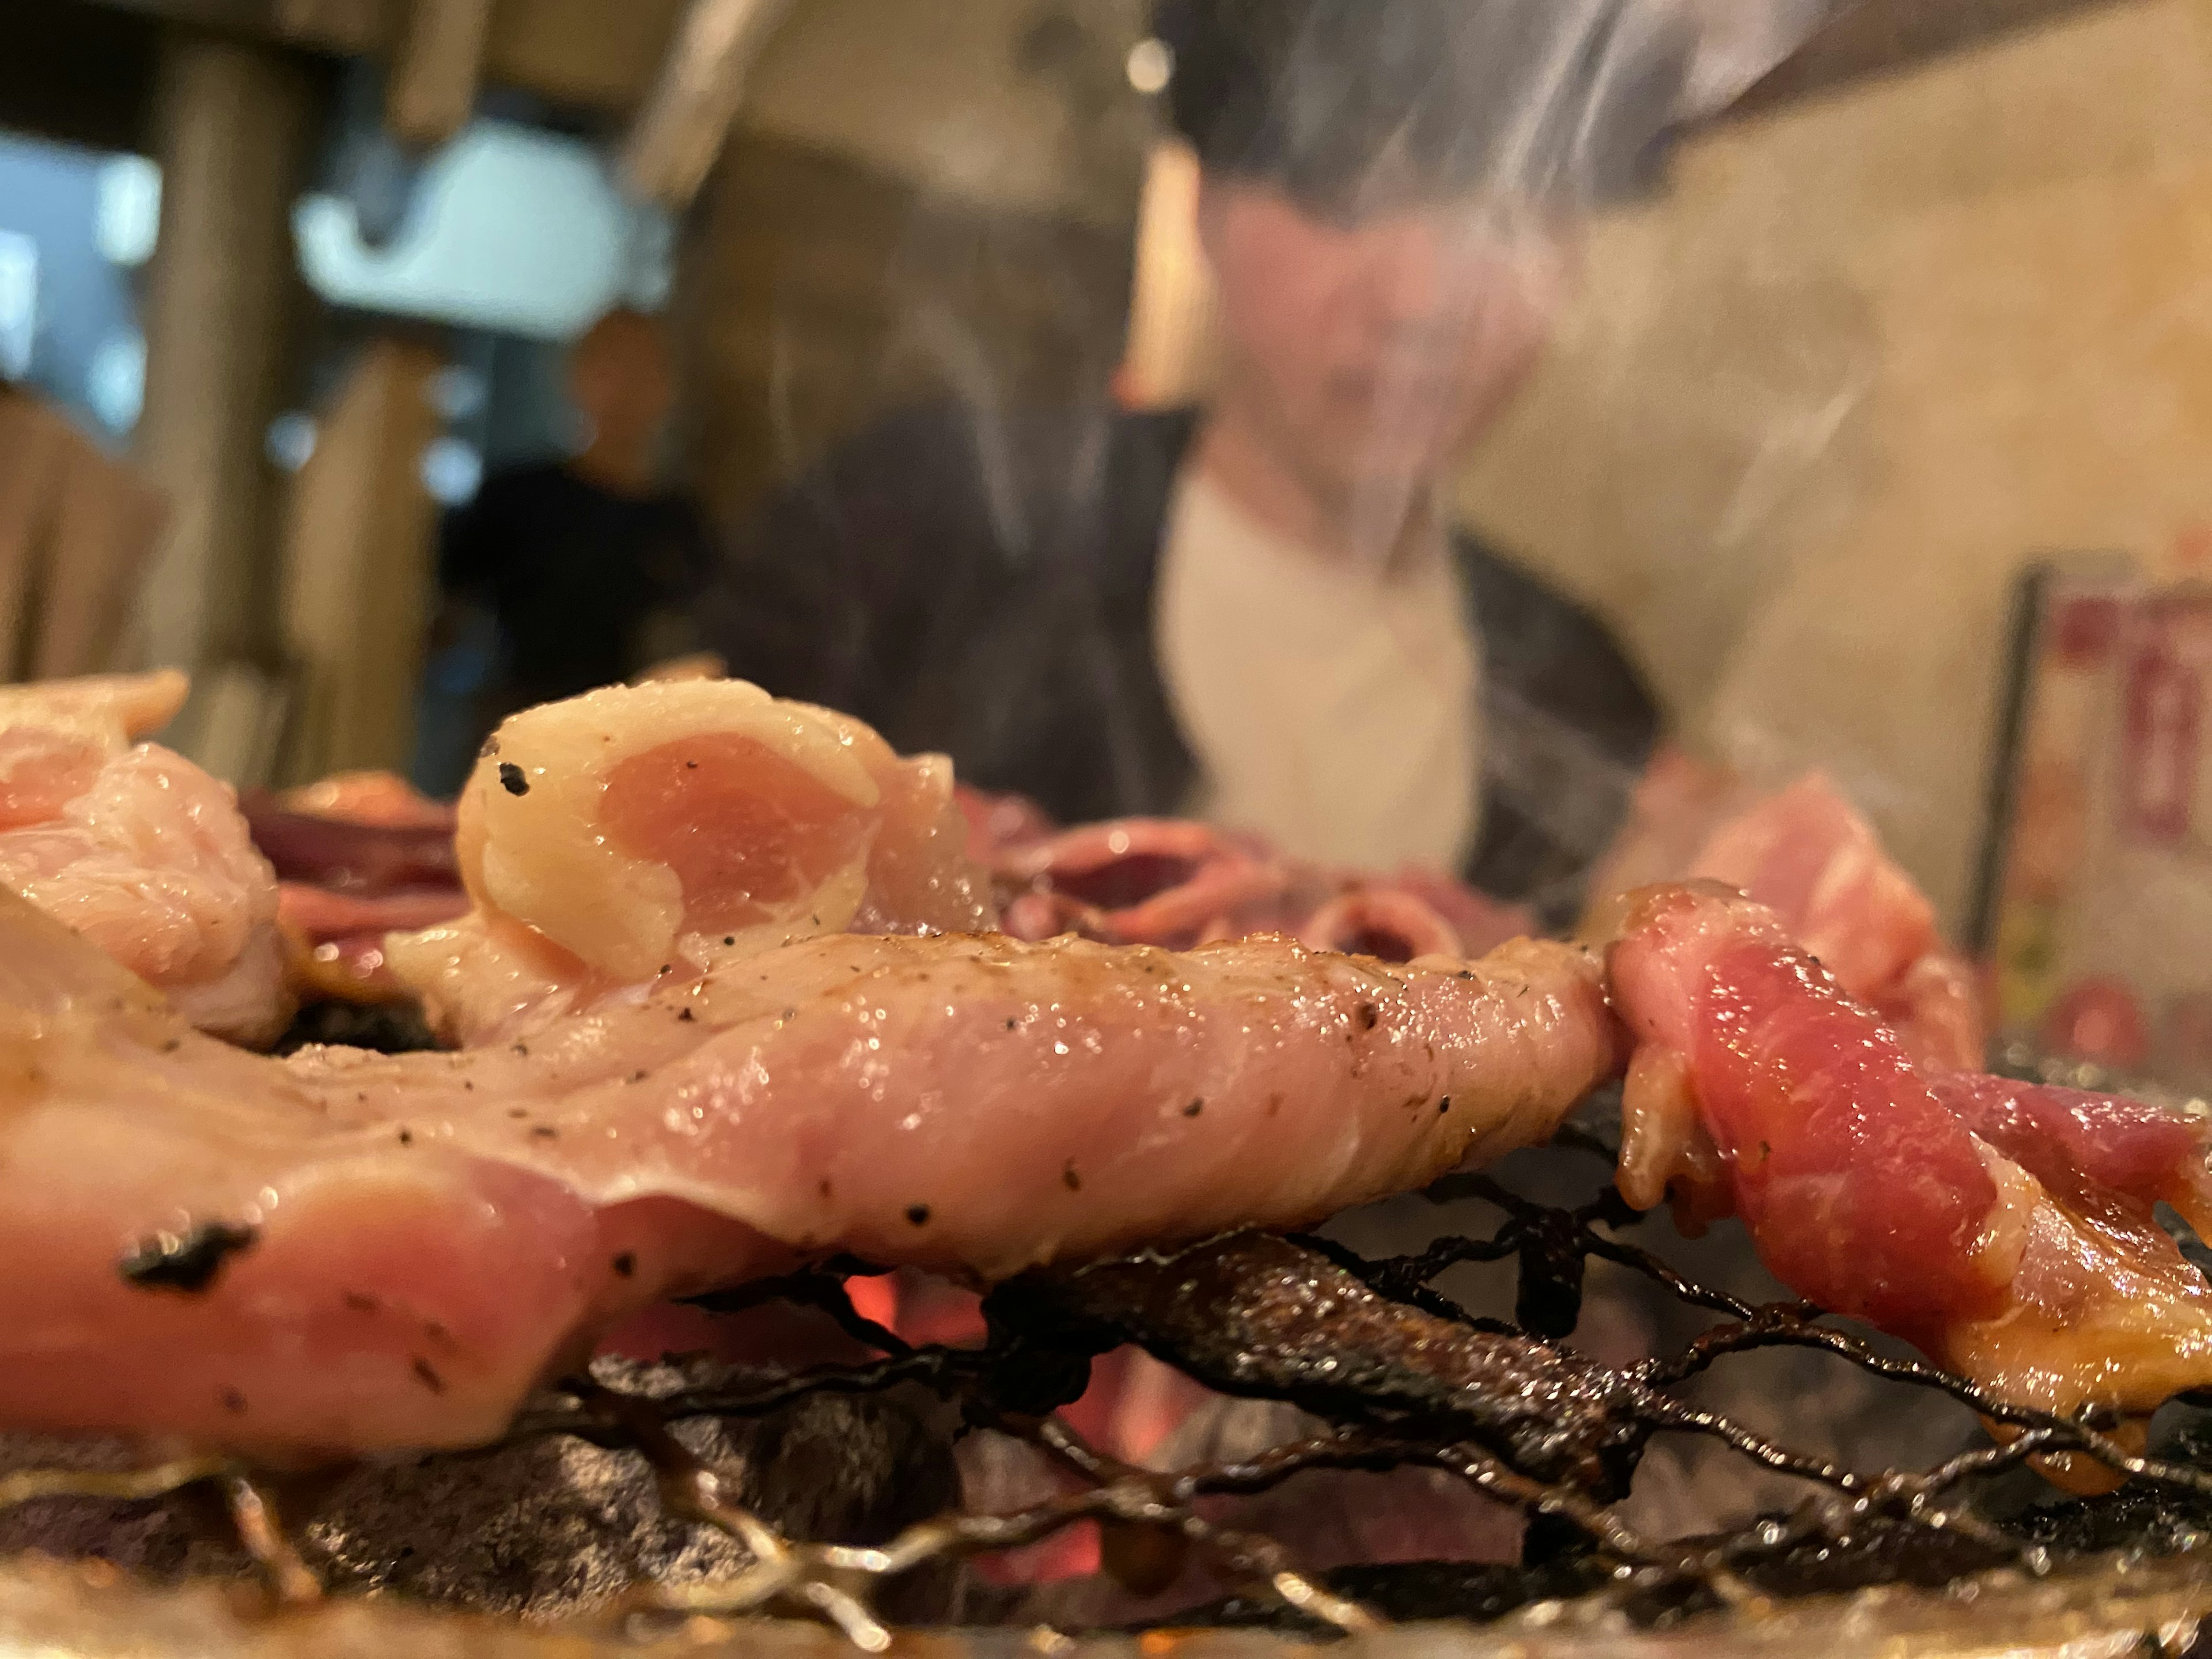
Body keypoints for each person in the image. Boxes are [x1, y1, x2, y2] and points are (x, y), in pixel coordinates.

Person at [703, 0, 1689, 926]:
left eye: (1508, 219)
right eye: (1344, 197)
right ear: (1207, 209)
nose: (1424, 299)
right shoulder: (922, 525)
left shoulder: (1587, 694)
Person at [435, 309, 712, 752]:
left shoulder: (679, 525)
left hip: (634, 743)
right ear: (576, 378)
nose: (626, 387)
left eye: (645, 368)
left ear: (670, 388)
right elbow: (437, 615)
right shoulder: (515, 498)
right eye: (611, 364)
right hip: (516, 733)